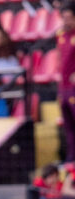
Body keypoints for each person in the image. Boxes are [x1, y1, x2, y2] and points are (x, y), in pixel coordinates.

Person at [58, 2, 75, 163]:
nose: (66, 21)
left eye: (69, 18)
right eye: (64, 18)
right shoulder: (61, 36)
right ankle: (71, 158)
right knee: (68, 126)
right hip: (64, 88)